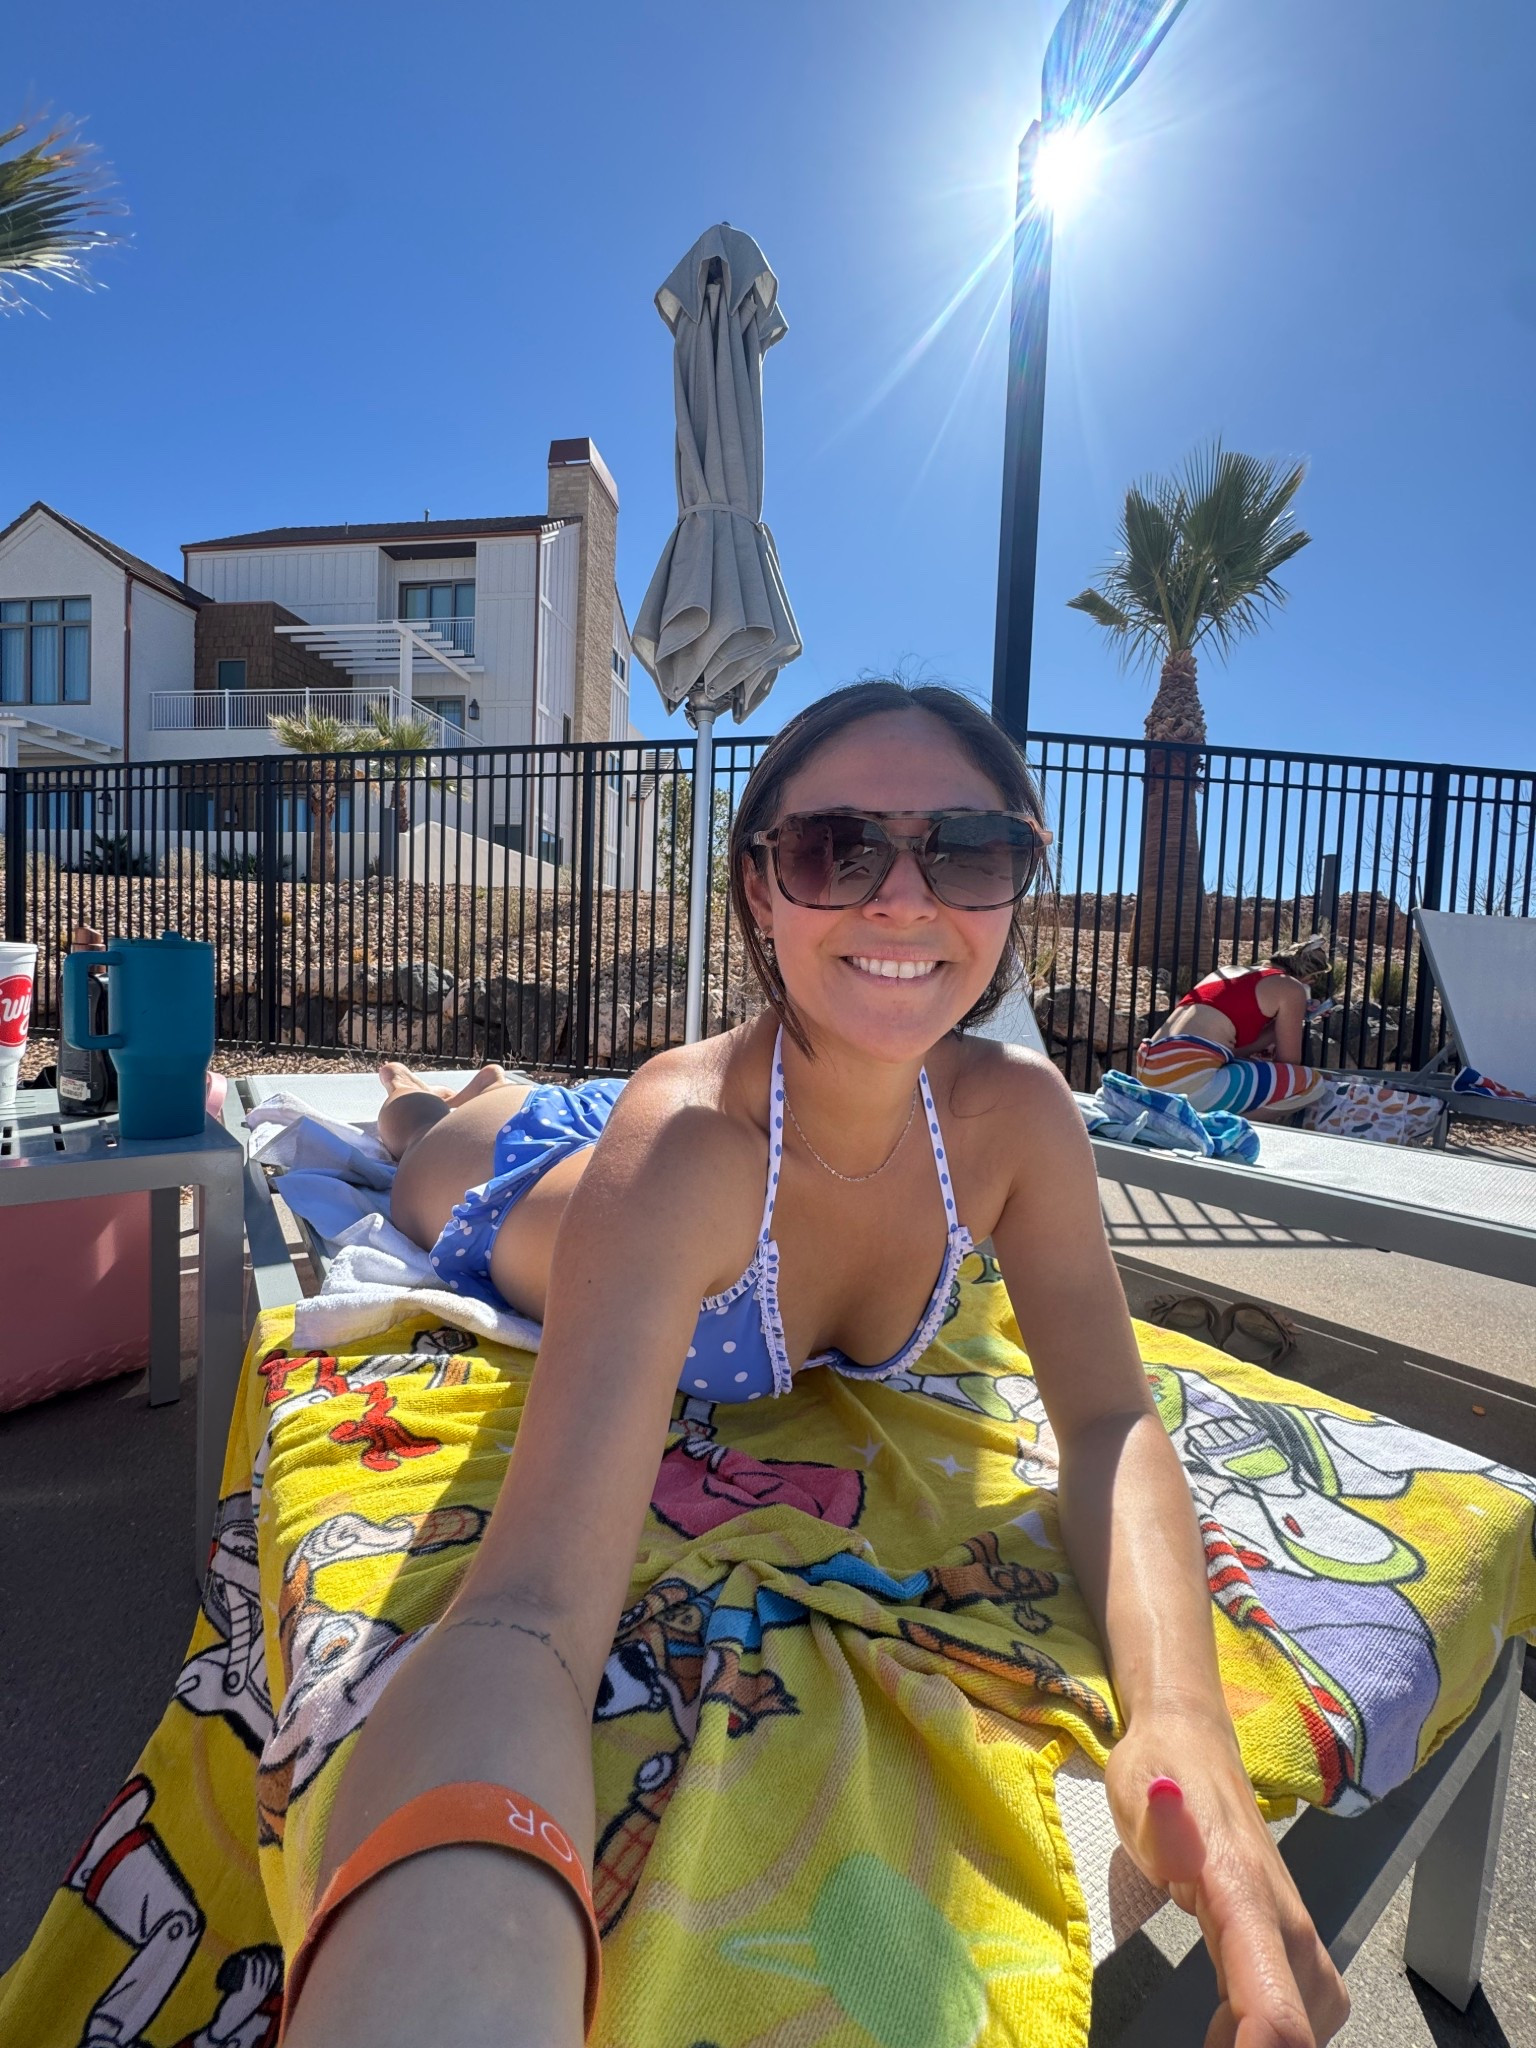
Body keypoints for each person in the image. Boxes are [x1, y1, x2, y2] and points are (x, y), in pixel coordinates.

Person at [281, 681, 1347, 2048]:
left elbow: (1107, 1417)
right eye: (835, 849)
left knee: (551, 1116)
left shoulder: (1014, 1119)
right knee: (427, 1153)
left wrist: (1183, 1723)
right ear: (758, 888)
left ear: (1016, 883)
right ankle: (445, 1094)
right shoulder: (687, 1150)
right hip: (553, 1178)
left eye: (968, 850)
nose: (903, 898)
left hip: (688, 1125)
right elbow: (530, 1609)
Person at [1135, 936, 1337, 1119]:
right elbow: (1289, 1062)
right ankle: (1217, 1125)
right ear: (1309, 979)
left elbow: (1225, 1051)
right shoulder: (1291, 987)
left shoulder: (1226, 972)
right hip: (1188, 1075)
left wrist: (1276, 1027)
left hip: (1150, 1068)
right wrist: (1295, 1018)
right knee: (1311, 1084)